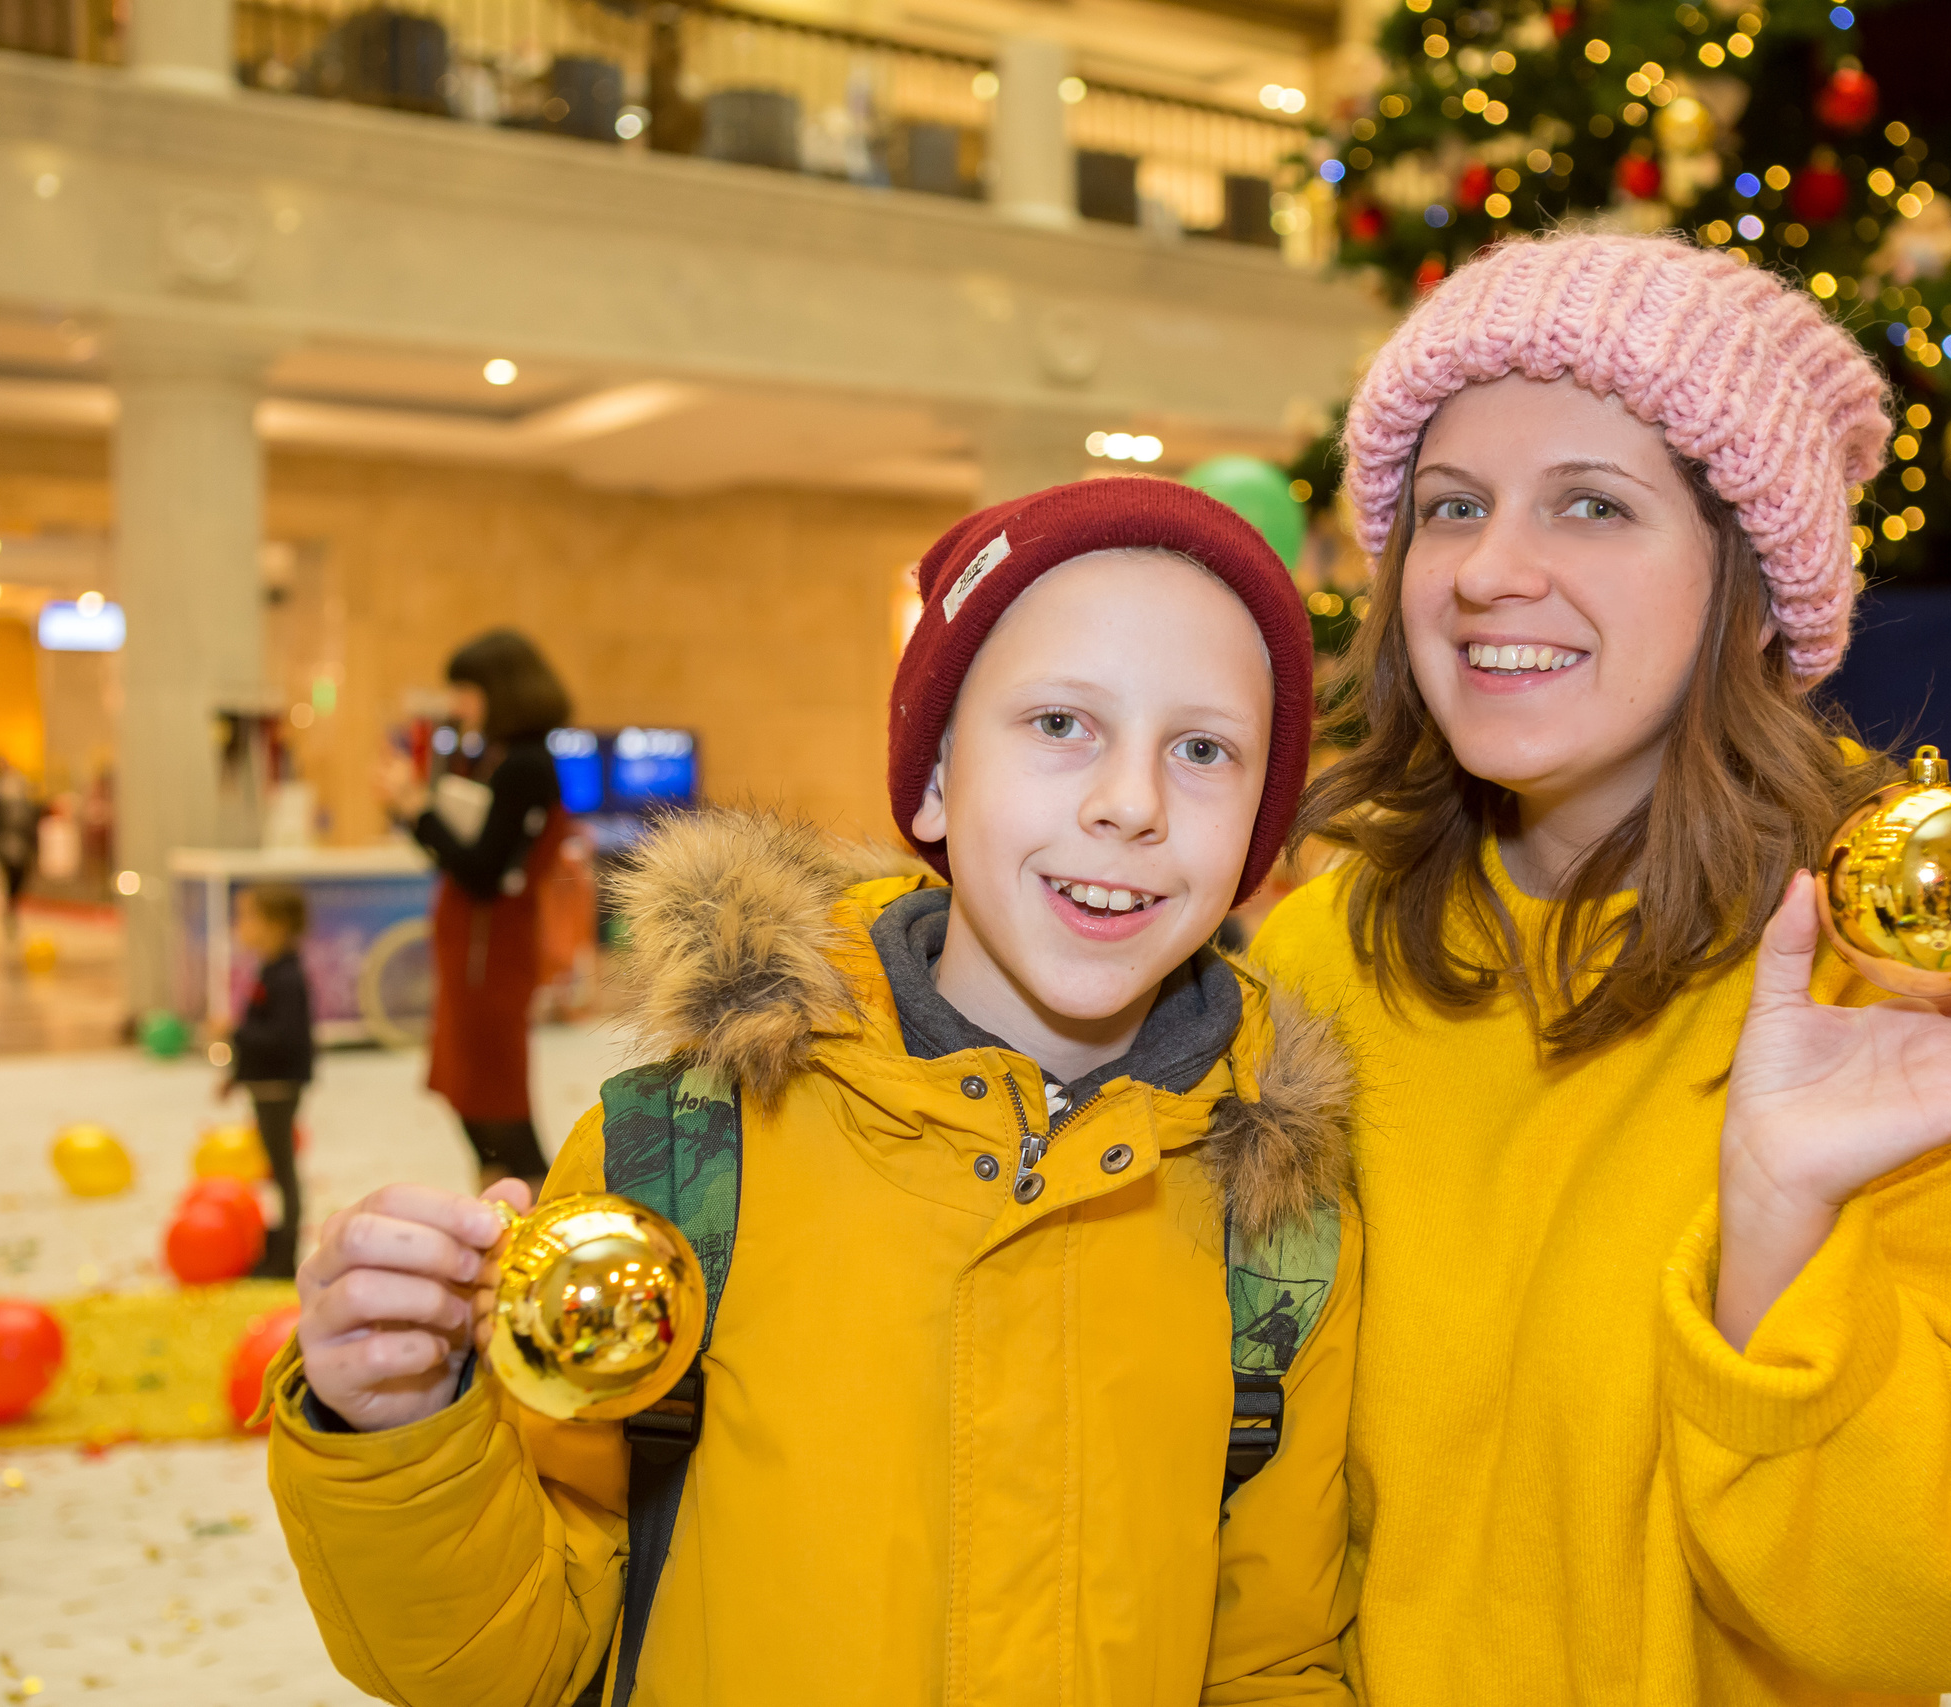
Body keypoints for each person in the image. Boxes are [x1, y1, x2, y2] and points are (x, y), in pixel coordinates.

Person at [267, 481, 1363, 1706]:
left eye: (1203, 749)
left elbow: (1272, 1659)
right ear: (937, 780)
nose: (1131, 802)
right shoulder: (683, 1157)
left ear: (1260, 842)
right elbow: (506, 1659)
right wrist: (404, 1428)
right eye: (1060, 723)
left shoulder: (1279, 1228)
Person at [1249, 232, 1951, 1704]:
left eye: (1593, 504)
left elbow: (1943, 1612)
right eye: (1450, 507)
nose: (1489, 570)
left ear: (1751, 573)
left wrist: (1782, 1227)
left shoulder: (1904, 975)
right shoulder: (1315, 956)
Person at [378, 630, 571, 1192]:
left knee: (495, 1091)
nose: (458, 704)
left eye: (466, 689)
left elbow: (483, 871)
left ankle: (540, 1199)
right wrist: (413, 813)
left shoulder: (526, 765)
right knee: (465, 1086)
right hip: (470, 943)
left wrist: (418, 812)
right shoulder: (489, 754)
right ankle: (498, 1193)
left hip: (493, 950)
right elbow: (456, 855)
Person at [222, 884, 313, 1279]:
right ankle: (276, 1245)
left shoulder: (288, 978)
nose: (239, 926)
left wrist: (234, 1032)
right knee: (274, 1167)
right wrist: (235, 1074)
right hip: (265, 1082)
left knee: (282, 1169)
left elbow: (284, 1037)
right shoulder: (270, 969)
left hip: (279, 1084)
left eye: (246, 917)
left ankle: (284, 1254)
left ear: (275, 926)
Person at [0, 753, 39, 939]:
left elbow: (32, 812)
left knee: (20, 875)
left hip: (22, 841)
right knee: (6, 875)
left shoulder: (22, 785)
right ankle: (10, 907)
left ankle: (13, 903)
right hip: (3, 841)